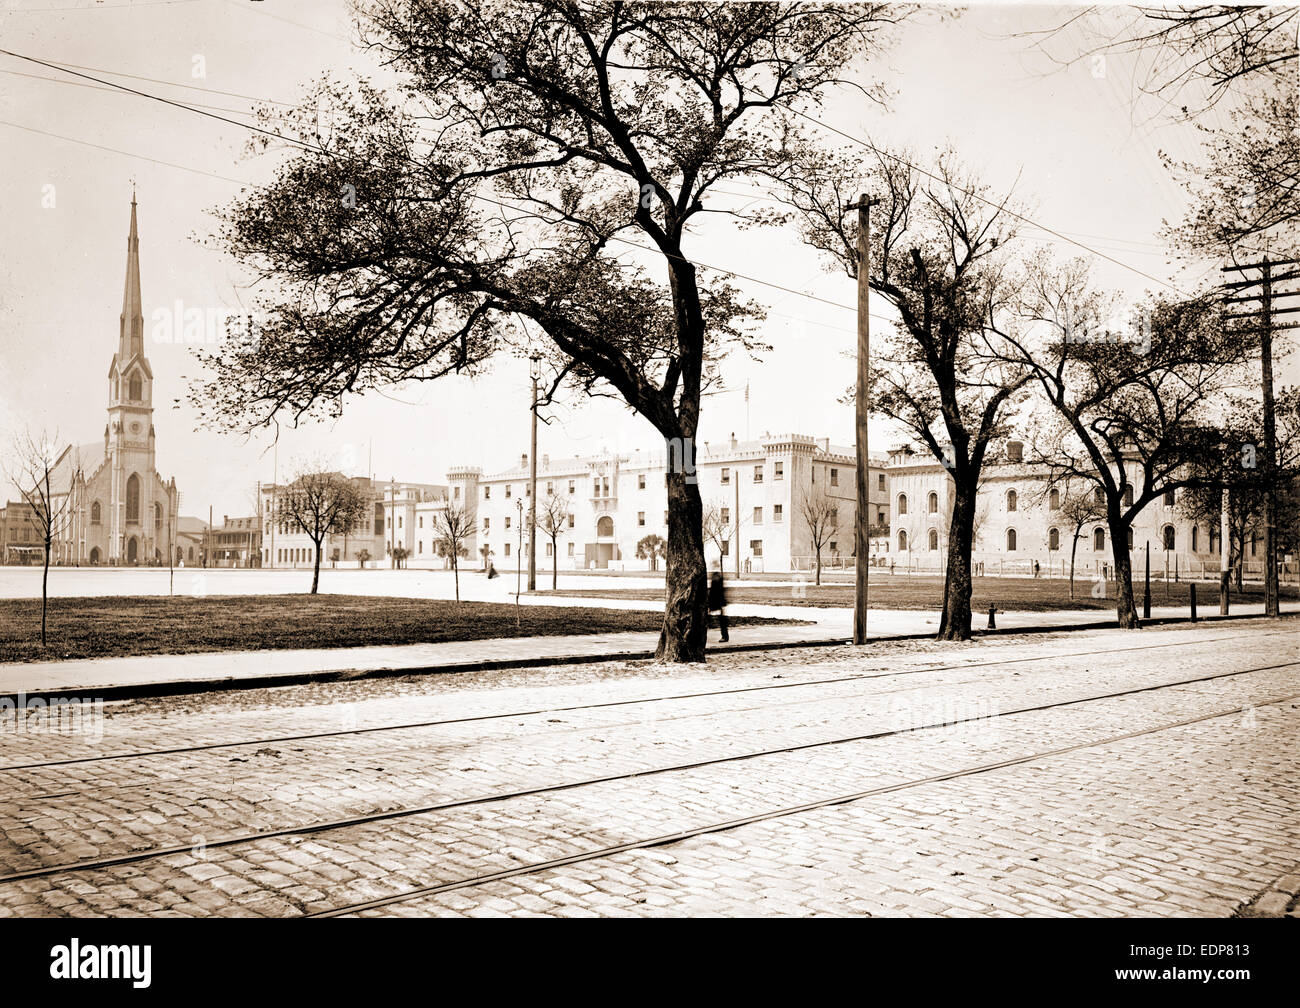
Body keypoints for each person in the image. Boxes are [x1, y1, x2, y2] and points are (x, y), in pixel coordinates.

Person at [708, 564, 729, 643]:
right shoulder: (717, 576)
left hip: (717, 601)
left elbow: (716, 591)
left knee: (721, 620)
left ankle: (725, 636)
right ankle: (725, 635)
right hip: (717, 601)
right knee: (721, 620)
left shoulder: (717, 577)